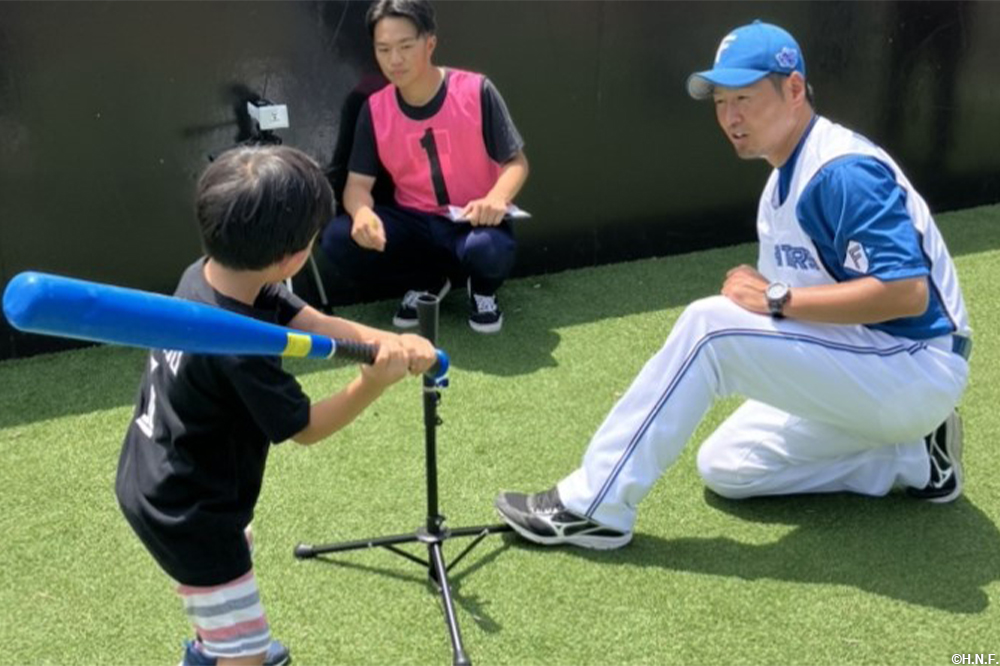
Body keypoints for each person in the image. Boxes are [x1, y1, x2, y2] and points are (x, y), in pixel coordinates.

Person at [494, 20, 972, 550]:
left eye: (744, 97)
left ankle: (594, 505)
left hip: (915, 362)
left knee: (708, 326)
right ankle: (915, 457)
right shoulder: (778, 186)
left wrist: (775, 296)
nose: (730, 117)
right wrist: (777, 302)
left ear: (794, 90)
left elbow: (907, 293)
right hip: (869, 366)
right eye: (721, 102)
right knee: (727, 466)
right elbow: (796, 313)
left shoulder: (842, 170)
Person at [115, 145, 437, 665]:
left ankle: (213, 644)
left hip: (158, 473)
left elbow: (305, 318)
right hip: (192, 514)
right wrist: (372, 385)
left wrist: (384, 342)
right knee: (245, 648)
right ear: (293, 257)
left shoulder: (209, 274)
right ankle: (225, 651)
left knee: (220, 603)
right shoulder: (239, 345)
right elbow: (305, 426)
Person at [319, 0, 529, 334]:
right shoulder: (374, 109)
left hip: (472, 219)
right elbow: (357, 186)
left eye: (405, 46)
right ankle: (428, 281)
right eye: (384, 49)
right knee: (338, 239)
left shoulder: (476, 90)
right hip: (413, 222)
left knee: (488, 250)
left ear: (429, 43)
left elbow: (516, 162)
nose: (395, 59)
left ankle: (483, 290)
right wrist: (361, 214)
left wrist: (496, 199)